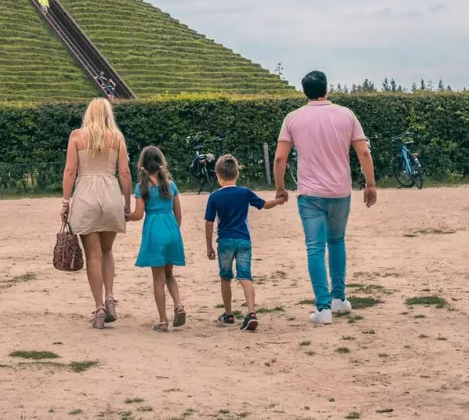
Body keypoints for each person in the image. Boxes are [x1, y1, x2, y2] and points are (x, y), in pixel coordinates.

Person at [272, 70, 376, 325]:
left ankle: (323, 307)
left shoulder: (293, 118)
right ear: (326, 89)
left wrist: (280, 187)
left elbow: (280, 158)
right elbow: (363, 152)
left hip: (310, 194)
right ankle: (339, 299)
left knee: (315, 248)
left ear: (304, 91)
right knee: (337, 241)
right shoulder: (346, 115)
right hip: (340, 190)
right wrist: (370, 184)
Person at [61, 97, 132, 329]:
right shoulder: (117, 137)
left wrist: (65, 202)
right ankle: (111, 296)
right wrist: (127, 201)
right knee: (107, 250)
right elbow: (124, 172)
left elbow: (71, 171)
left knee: (93, 255)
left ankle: (99, 307)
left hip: (86, 196)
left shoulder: (77, 136)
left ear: (88, 113)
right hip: (110, 195)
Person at [203, 154, 284, 331]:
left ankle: (228, 313)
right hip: (243, 240)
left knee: (225, 277)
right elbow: (264, 204)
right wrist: (279, 200)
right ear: (237, 174)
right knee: (245, 276)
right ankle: (251, 312)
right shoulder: (244, 193)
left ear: (218, 175)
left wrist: (209, 245)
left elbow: (209, 222)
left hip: (225, 241)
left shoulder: (214, 198)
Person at [128, 145, 187, 331]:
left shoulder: (142, 187)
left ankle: (163, 320)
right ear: (161, 163)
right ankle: (178, 305)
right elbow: (178, 213)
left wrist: (125, 216)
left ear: (143, 165)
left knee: (158, 278)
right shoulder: (171, 185)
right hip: (171, 229)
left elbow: (138, 214)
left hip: (154, 231)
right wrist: (174, 231)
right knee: (169, 273)